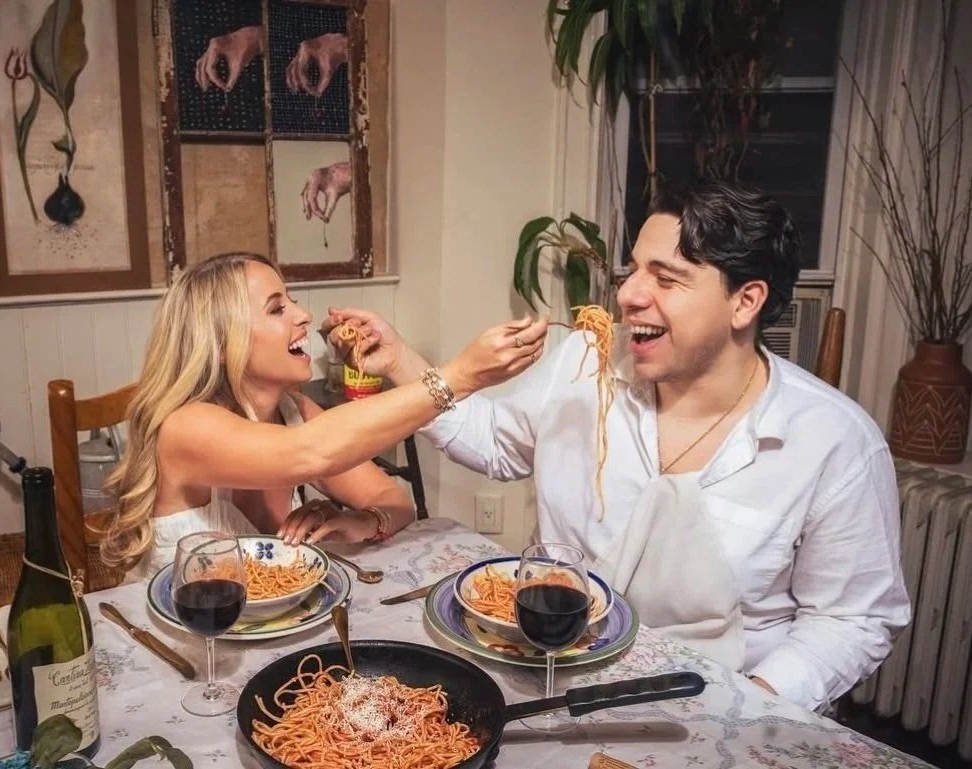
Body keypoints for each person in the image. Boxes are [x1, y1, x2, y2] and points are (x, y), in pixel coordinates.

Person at [324, 180, 911, 713]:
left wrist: (751, 702)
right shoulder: (584, 363)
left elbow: (852, 618)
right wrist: (401, 360)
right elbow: (496, 445)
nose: (628, 295)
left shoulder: (834, 440)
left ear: (745, 302)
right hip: (552, 666)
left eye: (667, 277)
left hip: (714, 693)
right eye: (633, 270)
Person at [103, 252, 547, 583]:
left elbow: (395, 501)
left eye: (292, 301)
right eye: (277, 309)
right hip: (182, 649)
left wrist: (362, 521)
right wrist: (461, 375)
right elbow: (310, 453)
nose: (304, 315)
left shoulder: (294, 411)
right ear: (221, 342)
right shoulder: (188, 426)